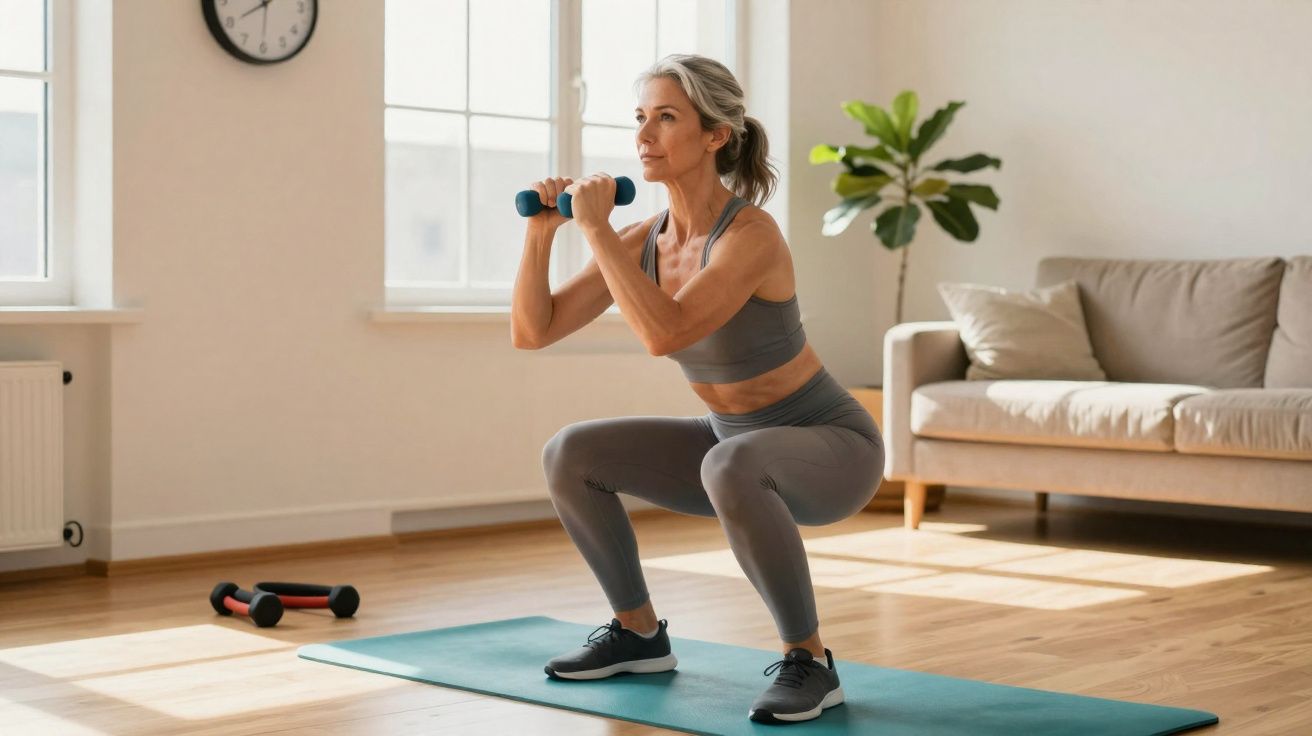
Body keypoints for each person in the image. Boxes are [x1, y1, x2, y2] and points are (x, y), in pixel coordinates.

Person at [511, 53, 885, 725]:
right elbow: (533, 331)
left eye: (665, 117)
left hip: (831, 447)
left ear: (716, 135)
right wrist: (541, 236)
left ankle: (810, 662)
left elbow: (667, 332)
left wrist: (594, 229)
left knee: (730, 462)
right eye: (639, 118)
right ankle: (639, 634)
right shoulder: (644, 239)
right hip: (729, 444)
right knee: (571, 453)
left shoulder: (751, 235)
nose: (643, 135)